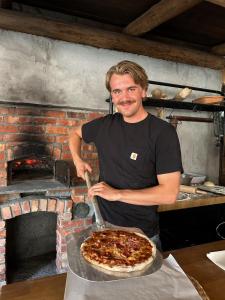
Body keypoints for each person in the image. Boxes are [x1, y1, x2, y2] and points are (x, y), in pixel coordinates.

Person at [69, 60, 183, 249]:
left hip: (142, 235)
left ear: (143, 91)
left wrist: (117, 194)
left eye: (131, 89)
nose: (124, 98)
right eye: (117, 91)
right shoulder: (104, 125)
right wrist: (77, 160)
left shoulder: (163, 133)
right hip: (102, 227)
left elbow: (169, 194)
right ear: (112, 96)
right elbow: (74, 133)